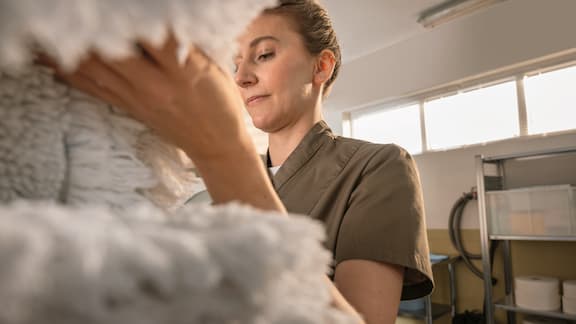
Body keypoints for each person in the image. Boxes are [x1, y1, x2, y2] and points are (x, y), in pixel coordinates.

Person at [47, 1, 433, 322]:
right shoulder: (207, 195)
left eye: (264, 54)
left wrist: (225, 155)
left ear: (322, 66)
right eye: (234, 64)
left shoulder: (378, 167)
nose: (242, 77)